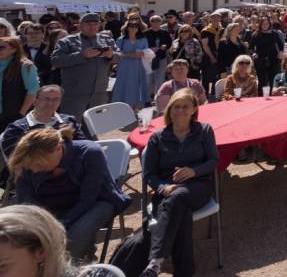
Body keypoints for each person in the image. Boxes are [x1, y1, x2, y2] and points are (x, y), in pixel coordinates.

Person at [7, 126, 130, 260]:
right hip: (52, 209)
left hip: (96, 202)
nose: (34, 170)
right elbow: (26, 202)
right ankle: (83, 261)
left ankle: (66, 269)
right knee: (23, 242)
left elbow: (87, 199)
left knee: (71, 241)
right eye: (31, 167)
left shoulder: (90, 153)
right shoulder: (28, 161)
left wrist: (60, 224)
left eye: (39, 165)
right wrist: (43, 223)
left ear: (58, 148)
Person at [140, 89, 219, 277]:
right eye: (176, 106)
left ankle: (155, 261)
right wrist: (162, 187)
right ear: (169, 109)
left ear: (193, 110)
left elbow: (214, 161)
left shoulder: (204, 130)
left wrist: (194, 171)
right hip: (167, 190)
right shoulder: (158, 138)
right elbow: (149, 173)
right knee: (180, 211)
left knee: (180, 196)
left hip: (198, 186)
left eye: (185, 106)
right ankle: (184, 271)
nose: (180, 111)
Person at [50, 13, 116, 118]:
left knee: (95, 128)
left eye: (95, 24)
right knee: (71, 128)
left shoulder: (107, 40)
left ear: (99, 25)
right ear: (80, 26)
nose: (92, 27)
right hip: (75, 95)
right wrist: (82, 56)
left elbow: (120, 57)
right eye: (88, 24)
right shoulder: (67, 41)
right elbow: (56, 61)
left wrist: (111, 56)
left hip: (99, 94)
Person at [1, 85, 86, 159]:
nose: (50, 103)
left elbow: (84, 148)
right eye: (46, 99)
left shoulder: (69, 121)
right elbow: (15, 160)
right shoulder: (17, 128)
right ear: (35, 101)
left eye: (56, 99)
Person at [0, 37, 39, 132]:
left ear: (14, 49)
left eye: (1, 47)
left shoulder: (25, 66)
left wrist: (21, 114)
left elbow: (32, 92)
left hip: (14, 116)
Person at [113, 13, 149, 111]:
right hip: (124, 67)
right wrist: (131, 54)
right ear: (127, 27)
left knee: (138, 86)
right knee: (124, 84)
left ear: (138, 28)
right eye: (131, 26)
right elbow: (116, 53)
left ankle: (136, 107)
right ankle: (122, 107)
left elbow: (144, 53)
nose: (133, 28)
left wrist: (126, 54)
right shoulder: (121, 40)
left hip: (139, 67)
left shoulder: (143, 39)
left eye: (136, 26)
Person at [249, 16, 282, 93]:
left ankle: (272, 97)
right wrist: (253, 53)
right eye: (263, 24)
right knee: (262, 81)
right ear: (260, 25)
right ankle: (261, 98)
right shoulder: (255, 34)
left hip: (273, 59)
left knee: (272, 80)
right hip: (260, 60)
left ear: (269, 24)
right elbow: (250, 48)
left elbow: (281, 45)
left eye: (267, 24)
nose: (265, 25)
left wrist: (280, 52)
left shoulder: (274, 33)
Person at [144, 15, 172, 102]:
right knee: (148, 80)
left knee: (160, 80)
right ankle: (147, 99)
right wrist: (149, 49)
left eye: (158, 21)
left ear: (161, 22)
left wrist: (165, 46)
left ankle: (158, 99)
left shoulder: (165, 33)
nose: (156, 23)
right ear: (150, 22)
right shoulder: (145, 33)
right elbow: (141, 45)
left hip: (161, 58)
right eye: (153, 21)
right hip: (148, 60)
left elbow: (169, 43)